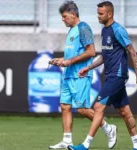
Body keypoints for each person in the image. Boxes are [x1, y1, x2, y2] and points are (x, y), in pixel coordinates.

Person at [68, 1, 137, 150]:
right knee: (124, 111)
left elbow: (132, 51)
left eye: (101, 13)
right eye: (98, 13)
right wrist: (88, 68)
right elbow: (104, 56)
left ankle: (86, 145)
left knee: (98, 107)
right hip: (111, 75)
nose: (98, 16)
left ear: (110, 14)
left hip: (117, 75)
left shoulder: (118, 30)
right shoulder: (105, 31)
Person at [48, 1, 117, 149]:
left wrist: (70, 61)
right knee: (65, 106)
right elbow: (73, 55)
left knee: (82, 109)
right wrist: (61, 60)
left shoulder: (83, 28)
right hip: (68, 75)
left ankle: (108, 128)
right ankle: (67, 141)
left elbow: (91, 52)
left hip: (80, 75)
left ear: (73, 14)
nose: (63, 19)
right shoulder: (71, 30)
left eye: (65, 16)